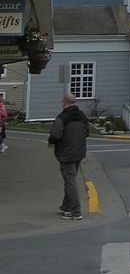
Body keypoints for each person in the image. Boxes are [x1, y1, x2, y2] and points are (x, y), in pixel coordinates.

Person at [48, 92, 90, 220]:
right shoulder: (82, 116)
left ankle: (75, 211)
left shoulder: (62, 117)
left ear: (64, 102)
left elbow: (56, 134)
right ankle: (66, 207)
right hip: (79, 152)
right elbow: (87, 132)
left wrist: (51, 142)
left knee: (70, 180)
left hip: (66, 153)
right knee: (70, 179)